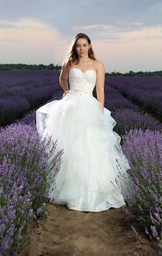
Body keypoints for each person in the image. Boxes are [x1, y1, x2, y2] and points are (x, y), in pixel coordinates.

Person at [36, 32, 131, 212]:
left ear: (89, 46)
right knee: (69, 146)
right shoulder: (69, 63)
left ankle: (92, 192)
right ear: (75, 47)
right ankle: (69, 189)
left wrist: (100, 113)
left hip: (89, 105)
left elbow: (101, 90)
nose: (81, 49)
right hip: (70, 106)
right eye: (78, 45)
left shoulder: (98, 65)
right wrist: (66, 91)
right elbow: (62, 79)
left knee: (91, 147)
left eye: (84, 45)